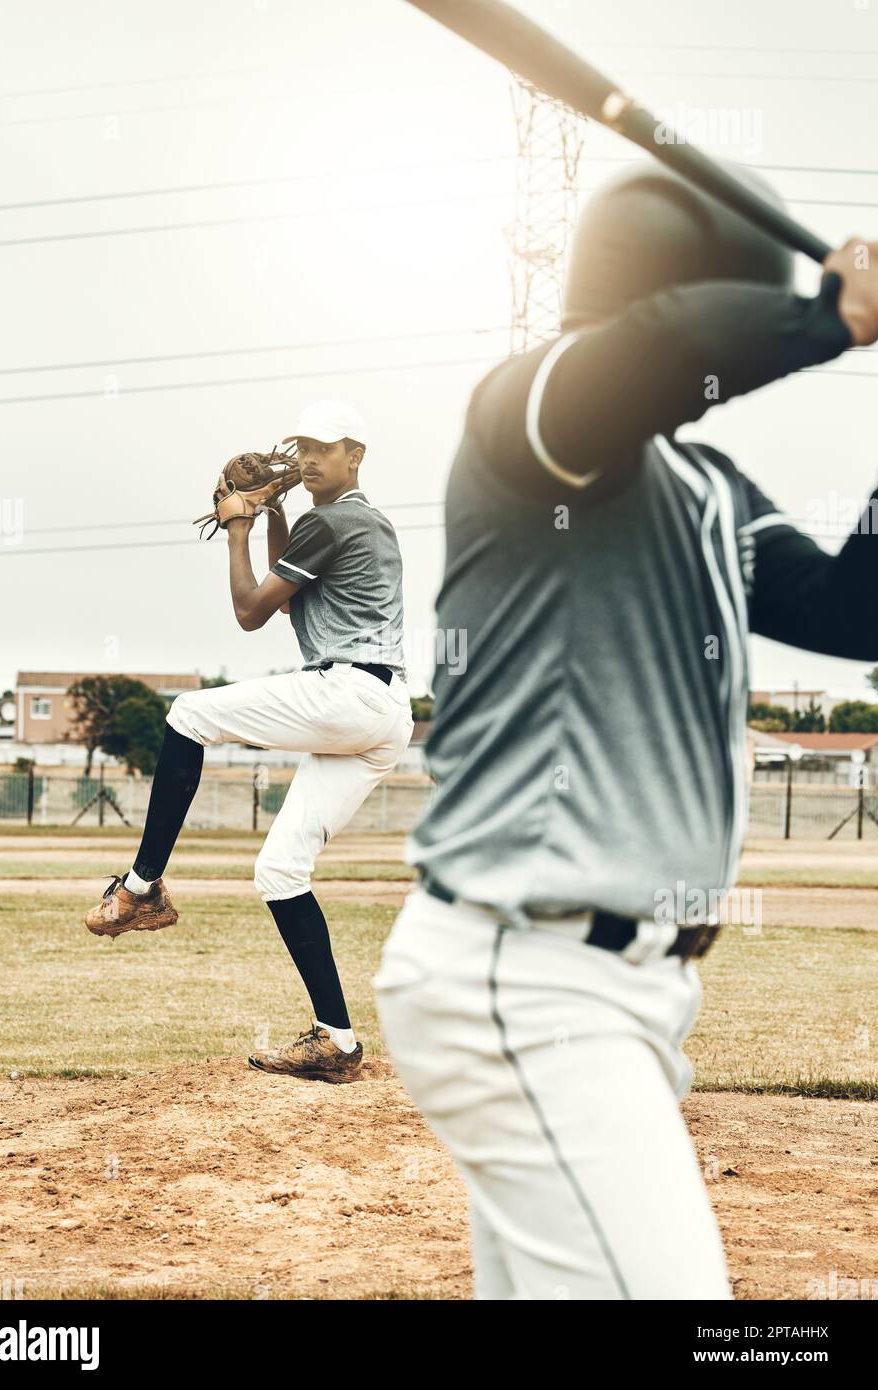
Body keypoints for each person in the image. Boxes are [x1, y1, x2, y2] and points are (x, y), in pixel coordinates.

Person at [375, 163, 878, 1295]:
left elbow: (858, 611)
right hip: (531, 969)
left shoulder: (706, 490)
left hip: (625, 988)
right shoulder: (533, 422)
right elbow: (646, 356)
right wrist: (827, 316)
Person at [85, 399, 413, 1085]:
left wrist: (237, 527)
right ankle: (338, 1042)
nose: (313, 457)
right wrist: (273, 516)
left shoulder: (333, 519)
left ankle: (142, 887)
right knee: (280, 873)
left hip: (346, 694)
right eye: (306, 446)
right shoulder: (361, 523)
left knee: (188, 716)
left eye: (328, 446)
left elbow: (250, 611)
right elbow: (292, 593)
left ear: (356, 456)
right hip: (383, 712)